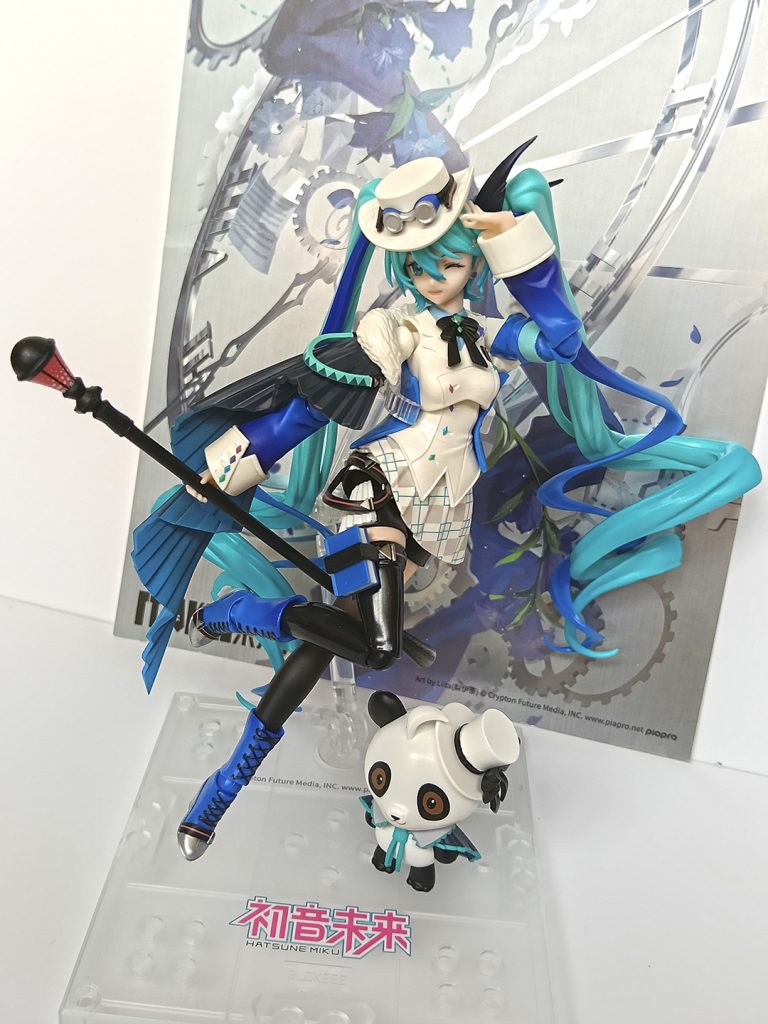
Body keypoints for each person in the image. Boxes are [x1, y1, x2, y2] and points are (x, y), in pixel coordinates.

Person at [131, 151, 760, 860]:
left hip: (441, 509)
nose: (432, 277)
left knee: (334, 638)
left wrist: (517, 244)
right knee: (376, 646)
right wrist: (228, 464)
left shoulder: (488, 333)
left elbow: (561, 339)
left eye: (449, 262)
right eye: (417, 265)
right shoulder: (393, 330)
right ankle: (234, 688)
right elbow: (311, 407)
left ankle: (225, 748)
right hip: (382, 485)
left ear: (471, 261)